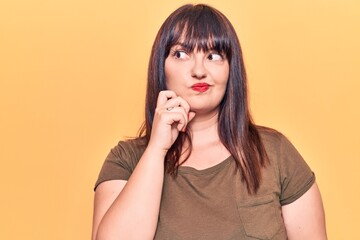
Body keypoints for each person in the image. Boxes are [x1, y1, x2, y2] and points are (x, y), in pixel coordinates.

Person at [92, 4, 327, 240]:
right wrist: (156, 149)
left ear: (230, 70)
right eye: (181, 54)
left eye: (213, 56)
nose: (199, 70)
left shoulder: (274, 153)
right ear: (161, 67)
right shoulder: (126, 160)